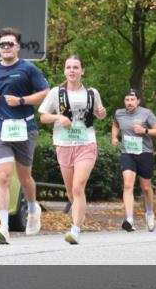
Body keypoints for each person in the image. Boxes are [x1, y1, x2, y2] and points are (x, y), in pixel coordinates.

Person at [0, 28, 50, 245]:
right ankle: (4, 227)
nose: (6, 48)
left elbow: (45, 93)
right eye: (3, 44)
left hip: (24, 128)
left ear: (18, 47)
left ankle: (32, 206)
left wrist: (21, 101)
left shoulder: (28, 69)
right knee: (3, 176)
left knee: (24, 177)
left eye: (10, 44)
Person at [38, 55, 106, 244]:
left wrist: (102, 113)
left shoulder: (92, 93)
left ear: (82, 70)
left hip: (86, 143)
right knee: (71, 192)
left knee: (78, 186)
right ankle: (77, 220)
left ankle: (76, 229)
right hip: (64, 144)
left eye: (76, 67)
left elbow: (100, 113)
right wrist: (58, 118)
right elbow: (43, 116)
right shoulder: (56, 93)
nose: (72, 71)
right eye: (69, 67)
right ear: (65, 71)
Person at [111, 88, 156, 232]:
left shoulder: (147, 114)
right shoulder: (119, 113)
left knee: (146, 188)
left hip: (145, 153)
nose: (129, 102)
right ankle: (129, 219)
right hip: (127, 153)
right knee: (128, 184)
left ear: (138, 101)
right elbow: (115, 125)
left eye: (132, 100)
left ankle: (150, 214)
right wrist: (114, 137)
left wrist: (145, 131)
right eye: (127, 100)